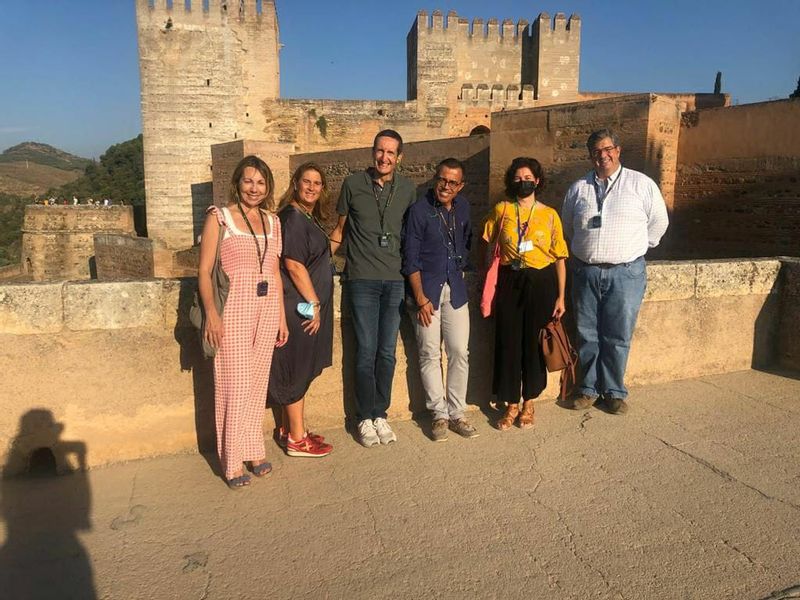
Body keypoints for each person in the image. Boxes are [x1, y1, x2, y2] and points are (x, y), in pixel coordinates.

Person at [560, 128, 669, 414]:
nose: (603, 156)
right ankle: (588, 388)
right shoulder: (578, 188)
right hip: (586, 271)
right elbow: (568, 227)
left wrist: (635, 249)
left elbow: (659, 222)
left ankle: (614, 391)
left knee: (618, 334)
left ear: (618, 151)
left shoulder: (641, 184)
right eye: (596, 152)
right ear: (590, 156)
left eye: (608, 149)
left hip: (626, 273)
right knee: (587, 333)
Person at [198, 155, 288, 488]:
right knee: (232, 384)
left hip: (266, 309)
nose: (254, 188)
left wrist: (281, 317)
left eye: (261, 182)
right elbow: (205, 272)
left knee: (256, 383)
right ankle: (231, 458)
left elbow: (275, 272)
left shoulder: (273, 222)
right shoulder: (220, 219)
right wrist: (211, 313)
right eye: (248, 181)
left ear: (268, 187)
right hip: (234, 307)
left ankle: (253, 449)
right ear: (237, 183)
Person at [329, 130, 417, 447]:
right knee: (365, 352)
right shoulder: (353, 185)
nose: (384, 157)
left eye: (391, 152)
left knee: (387, 354)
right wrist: (321, 263)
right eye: (380, 151)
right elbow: (338, 232)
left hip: (395, 280)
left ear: (399, 157)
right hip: (362, 279)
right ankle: (364, 417)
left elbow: (412, 236)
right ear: (372, 152)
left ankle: (381, 413)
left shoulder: (408, 190)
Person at [482, 157, 568, 430]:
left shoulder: (550, 214)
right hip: (510, 280)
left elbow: (559, 258)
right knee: (508, 343)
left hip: (541, 282)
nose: (523, 182)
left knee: (533, 344)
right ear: (511, 181)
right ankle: (510, 404)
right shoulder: (502, 210)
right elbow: (486, 244)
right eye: (518, 178)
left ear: (537, 181)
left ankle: (529, 401)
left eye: (528, 177)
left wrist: (561, 296)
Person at [401, 158, 478, 442]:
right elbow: (410, 258)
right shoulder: (418, 212)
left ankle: (458, 411)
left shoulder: (464, 208)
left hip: (455, 289)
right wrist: (420, 298)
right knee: (429, 353)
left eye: (452, 182)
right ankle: (439, 414)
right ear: (436, 179)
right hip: (428, 293)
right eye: (442, 179)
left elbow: (467, 241)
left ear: (460, 186)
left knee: (459, 351)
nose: (446, 186)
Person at [268, 163, 334, 458]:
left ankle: (289, 429)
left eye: (317, 183)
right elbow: (294, 265)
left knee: (300, 364)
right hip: (299, 306)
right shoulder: (293, 218)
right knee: (297, 368)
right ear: (295, 184)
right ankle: (297, 439)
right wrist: (315, 305)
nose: (311, 187)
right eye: (306, 181)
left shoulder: (304, 217)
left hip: (301, 304)